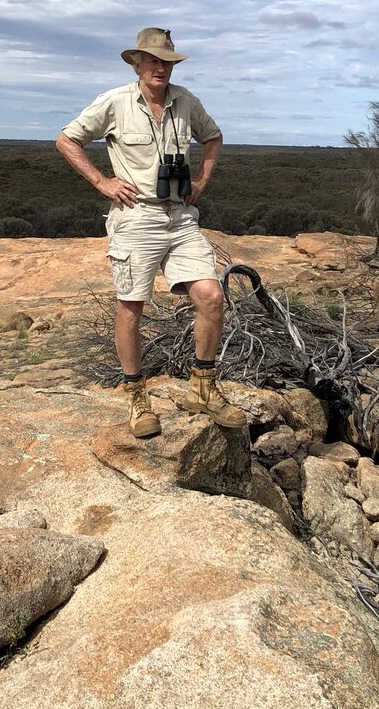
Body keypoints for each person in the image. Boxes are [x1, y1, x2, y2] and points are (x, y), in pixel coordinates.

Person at [57, 28, 247, 438]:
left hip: (180, 215)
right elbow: (67, 140)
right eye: (153, 61)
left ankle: (203, 386)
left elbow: (212, 137)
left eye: (167, 62)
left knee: (212, 297)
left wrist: (202, 180)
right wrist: (102, 182)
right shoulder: (116, 101)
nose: (161, 68)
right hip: (136, 215)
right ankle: (136, 396)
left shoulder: (185, 102)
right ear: (137, 64)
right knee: (132, 307)